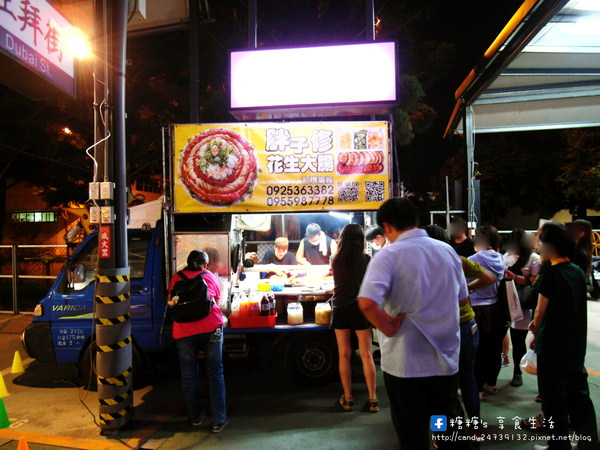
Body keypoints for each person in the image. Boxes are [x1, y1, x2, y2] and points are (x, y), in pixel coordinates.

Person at [358, 199, 469, 449]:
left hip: (405, 364)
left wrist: (388, 327)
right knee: (445, 428)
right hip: (445, 361)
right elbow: (463, 299)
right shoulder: (446, 250)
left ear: (386, 226)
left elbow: (366, 302)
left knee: (413, 432)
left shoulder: (388, 255)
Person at [530, 223, 599, 450]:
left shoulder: (552, 273)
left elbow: (540, 311)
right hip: (575, 344)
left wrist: (534, 330)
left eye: (541, 242)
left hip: (552, 345)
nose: (538, 247)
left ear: (551, 246)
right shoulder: (577, 270)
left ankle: (558, 446)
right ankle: (588, 442)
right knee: (579, 395)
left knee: (554, 398)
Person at [424, 224, 496, 426]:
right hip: (467, 325)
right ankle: (475, 428)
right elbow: (490, 277)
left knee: (439, 383)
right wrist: (470, 290)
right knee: (467, 377)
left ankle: (441, 432)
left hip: (442, 329)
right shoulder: (457, 259)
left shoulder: (423, 265)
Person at [168, 250, 227, 432]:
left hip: (184, 330)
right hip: (210, 328)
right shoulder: (209, 276)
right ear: (205, 264)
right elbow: (218, 301)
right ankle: (218, 419)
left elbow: (172, 301)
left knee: (188, 375)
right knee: (215, 373)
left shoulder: (176, 277)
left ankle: (196, 416)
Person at [330, 224, 377, 413]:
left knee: (344, 354)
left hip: (341, 307)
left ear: (342, 239)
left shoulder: (335, 259)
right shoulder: (366, 259)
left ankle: (348, 398)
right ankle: (373, 399)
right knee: (366, 354)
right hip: (361, 309)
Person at [468, 225, 506, 396]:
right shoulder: (500, 258)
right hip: (496, 308)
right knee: (494, 347)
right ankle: (491, 383)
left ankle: (477, 387)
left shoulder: (474, 259)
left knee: (478, 349)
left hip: (477, 309)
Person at [503, 228, 541, 387]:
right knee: (513, 339)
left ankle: (517, 373)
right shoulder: (506, 256)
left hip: (524, 305)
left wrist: (515, 277)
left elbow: (533, 281)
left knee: (519, 340)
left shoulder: (534, 259)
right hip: (507, 303)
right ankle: (514, 369)